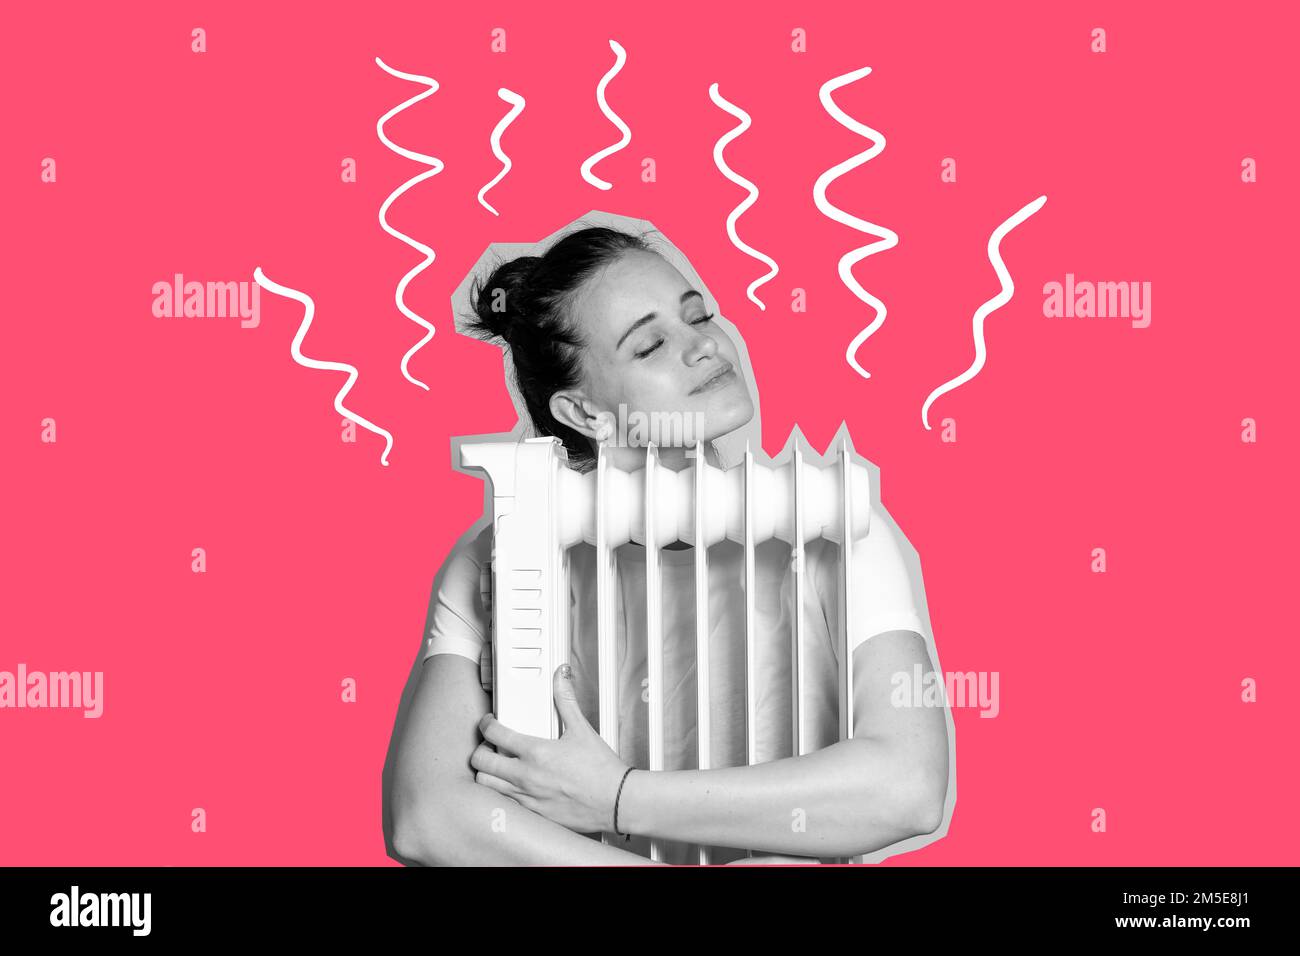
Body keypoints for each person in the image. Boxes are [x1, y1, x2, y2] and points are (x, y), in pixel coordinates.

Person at [387, 224, 950, 865]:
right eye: (652, 344)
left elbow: (908, 787)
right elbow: (426, 816)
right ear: (584, 413)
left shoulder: (831, 525)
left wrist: (619, 798)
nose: (706, 345)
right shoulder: (497, 554)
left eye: (699, 316)